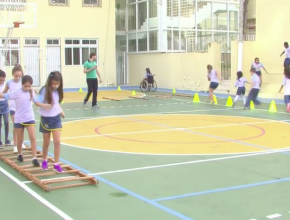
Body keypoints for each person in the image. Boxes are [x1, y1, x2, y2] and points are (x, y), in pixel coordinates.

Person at [0, 75, 51, 165]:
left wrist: (44, 105)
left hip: (29, 118)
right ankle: (20, 154)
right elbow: (5, 96)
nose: (27, 88)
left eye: (29, 86)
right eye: (25, 86)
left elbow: (36, 102)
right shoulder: (16, 92)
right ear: (22, 85)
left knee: (33, 137)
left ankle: (34, 158)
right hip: (19, 118)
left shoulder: (31, 92)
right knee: (20, 139)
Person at [35, 71, 65, 173]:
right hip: (46, 119)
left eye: (58, 84)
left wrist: (61, 111)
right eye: (54, 83)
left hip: (56, 118)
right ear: (50, 81)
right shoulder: (44, 90)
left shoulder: (58, 91)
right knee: (46, 142)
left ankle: (56, 164)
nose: (56, 86)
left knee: (57, 141)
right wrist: (44, 105)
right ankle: (44, 161)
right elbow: (36, 102)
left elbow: (57, 103)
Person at [2, 65, 26, 151]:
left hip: (21, 107)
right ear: (12, 74)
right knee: (16, 125)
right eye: (16, 76)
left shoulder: (23, 82)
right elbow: (4, 92)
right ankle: (15, 145)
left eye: (19, 76)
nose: (18, 78)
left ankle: (21, 142)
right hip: (13, 107)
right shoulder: (9, 83)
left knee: (22, 126)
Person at [0, 70, 10, 147]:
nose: (2, 81)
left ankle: (6, 139)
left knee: (6, 122)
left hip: (5, 104)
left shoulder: (6, 84)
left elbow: (8, 93)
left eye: (3, 80)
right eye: (1, 80)